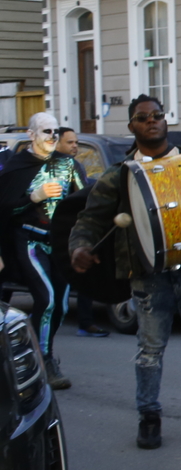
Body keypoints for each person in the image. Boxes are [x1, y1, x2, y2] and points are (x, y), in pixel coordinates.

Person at [70, 96, 181, 451]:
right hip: (147, 271)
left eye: (157, 115)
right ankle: (149, 414)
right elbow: (89, 220)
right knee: (150, 349)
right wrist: (80, 246)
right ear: (132, 127)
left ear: (165, 120)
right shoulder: (120, 176)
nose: (152, 121)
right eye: (142, 118)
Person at [0, 112, 84, 387]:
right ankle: (44, 360)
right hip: (29, 241)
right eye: (46, 131)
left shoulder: (68, 164)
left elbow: (85, 201)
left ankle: (34, 354)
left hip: (58, 244)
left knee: (59, 304)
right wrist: (33, 197)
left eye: (55, 132)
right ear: (31, 134)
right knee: (46, 298)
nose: (52, 137)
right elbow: (5, 208)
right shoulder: (17, 166)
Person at [55, 127, 109, 338]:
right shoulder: (52, 166)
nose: (75, 146)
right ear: (56, 143)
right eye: (70, 142)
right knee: (59, 280)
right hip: (57, 232)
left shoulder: (76, 165)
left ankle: (85, 322)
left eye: (76, 142)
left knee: (84, 273)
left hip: (76, 229)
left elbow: (83, 193)